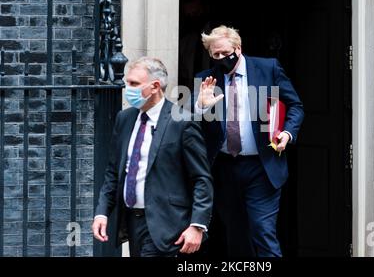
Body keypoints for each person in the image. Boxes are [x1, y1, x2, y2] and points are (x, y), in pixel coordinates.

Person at [194, 25, 304, 257]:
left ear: (238, 48)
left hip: (261, 166)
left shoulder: (267, 69)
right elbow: (191, 126)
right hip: (224, 167)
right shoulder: (206, 80)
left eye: (226, 53)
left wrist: (288, 133)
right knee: (235, 233)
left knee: (262, 230)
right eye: (216, 55)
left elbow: (295, 105)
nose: (222, 58)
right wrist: (200, 107)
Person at [92, 57, 213, 257]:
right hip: (131, 222)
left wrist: (197, 225)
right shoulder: (125, 118)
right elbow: (114, 171)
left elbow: (201, 178)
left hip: (166, 223)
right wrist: (102, 212)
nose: (127, 88)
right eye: (127, 83)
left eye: (134, 84)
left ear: (155, 86)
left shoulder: (182, 121)